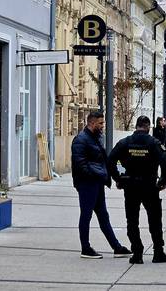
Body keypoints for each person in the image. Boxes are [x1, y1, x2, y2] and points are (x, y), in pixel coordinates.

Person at [107, 115, 166, 264]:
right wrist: (163, 181)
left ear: (136, 126)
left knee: (132, 221)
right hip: (150, 186)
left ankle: (137, 253)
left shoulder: (125, 142)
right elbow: (165, 162)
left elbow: (111, 159)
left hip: (130, 186)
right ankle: (158, 252)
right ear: (148, 127)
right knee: (155, 220)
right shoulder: (153, 143)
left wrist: (119, 177)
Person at [71, 111, 132, 259]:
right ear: (91, 123)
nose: (102, 125)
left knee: (103, 216)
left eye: (103, 123)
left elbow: (104, 160)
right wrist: (93, 175)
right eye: (100, 123)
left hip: (97, 182)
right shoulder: (81, 139)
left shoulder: (97, 138)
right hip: (87, 183)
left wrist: (113, 176)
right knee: (86, 215)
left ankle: (116, 247)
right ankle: (85, 248)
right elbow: (80, 164)